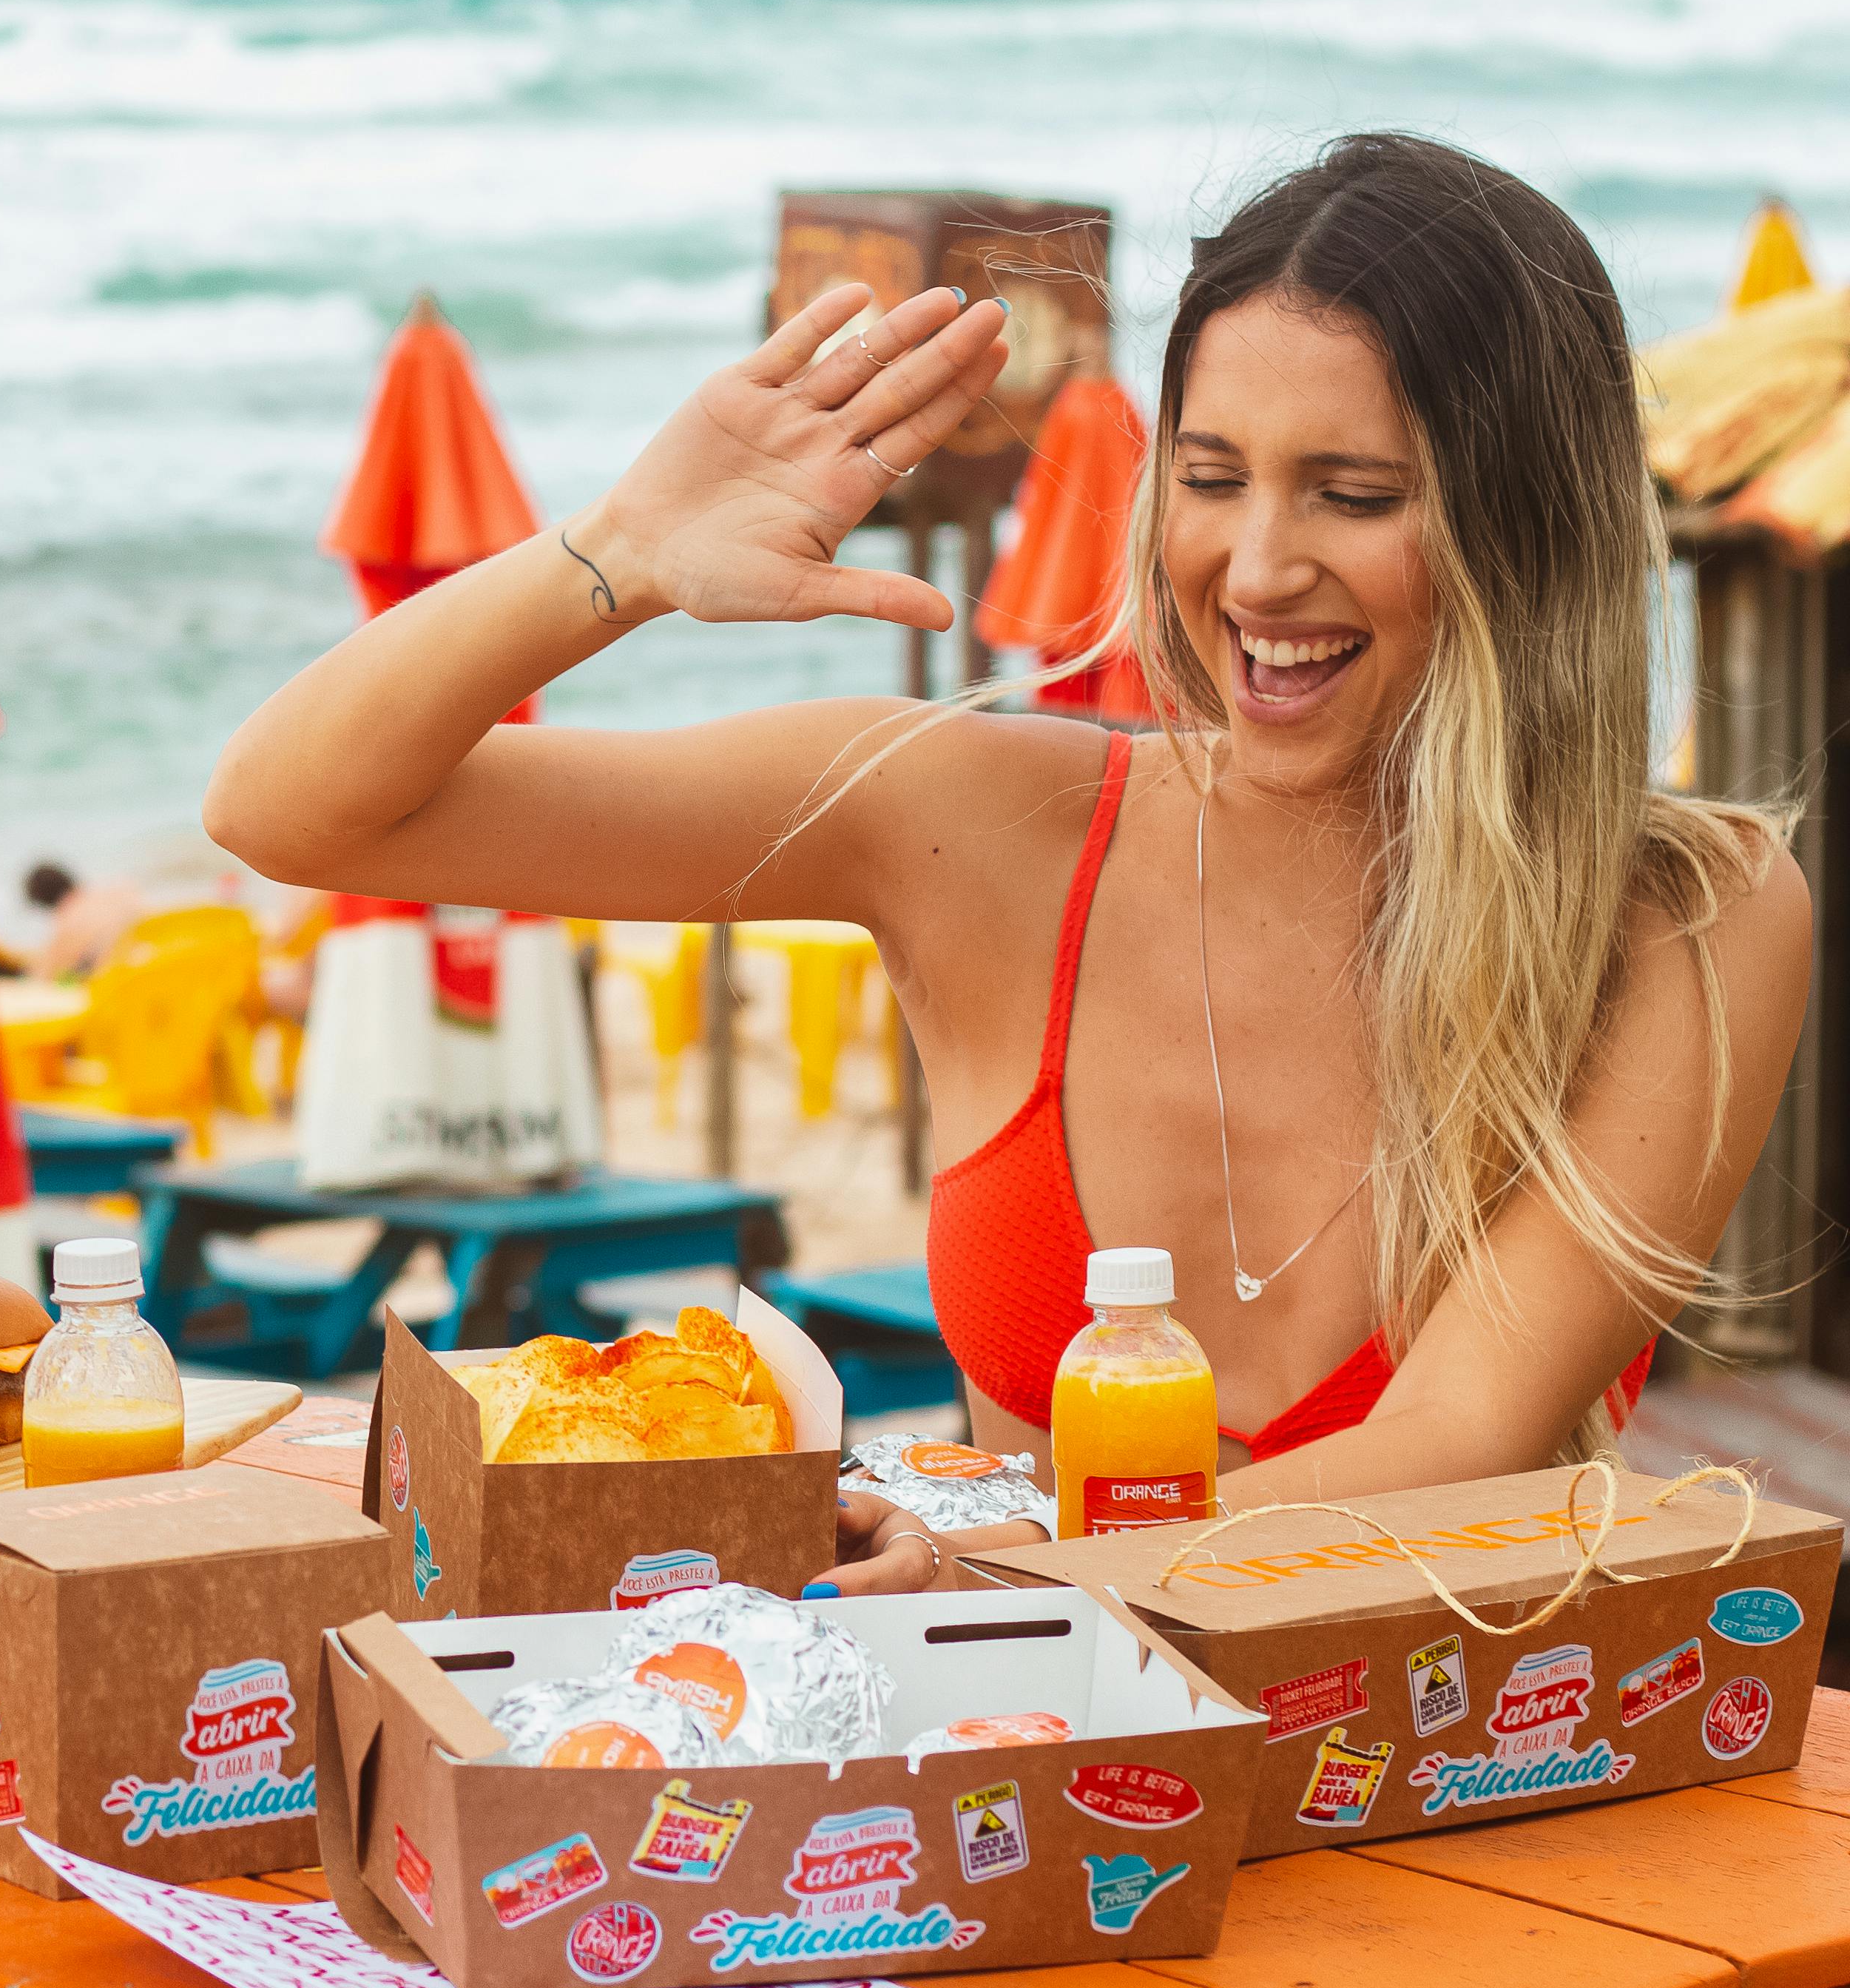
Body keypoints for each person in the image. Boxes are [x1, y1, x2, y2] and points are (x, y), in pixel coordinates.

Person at [206, 134, 1806, 1593]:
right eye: (1209, 476)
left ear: (1526, 527)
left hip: (1450, 1813)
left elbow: (1457, 1441)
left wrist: (988, 1581)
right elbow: (294, 809)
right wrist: (609, 563)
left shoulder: (1688, 917)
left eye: (1357, 495)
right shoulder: (968, 820)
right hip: (1021, 1795)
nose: (1256, 568)